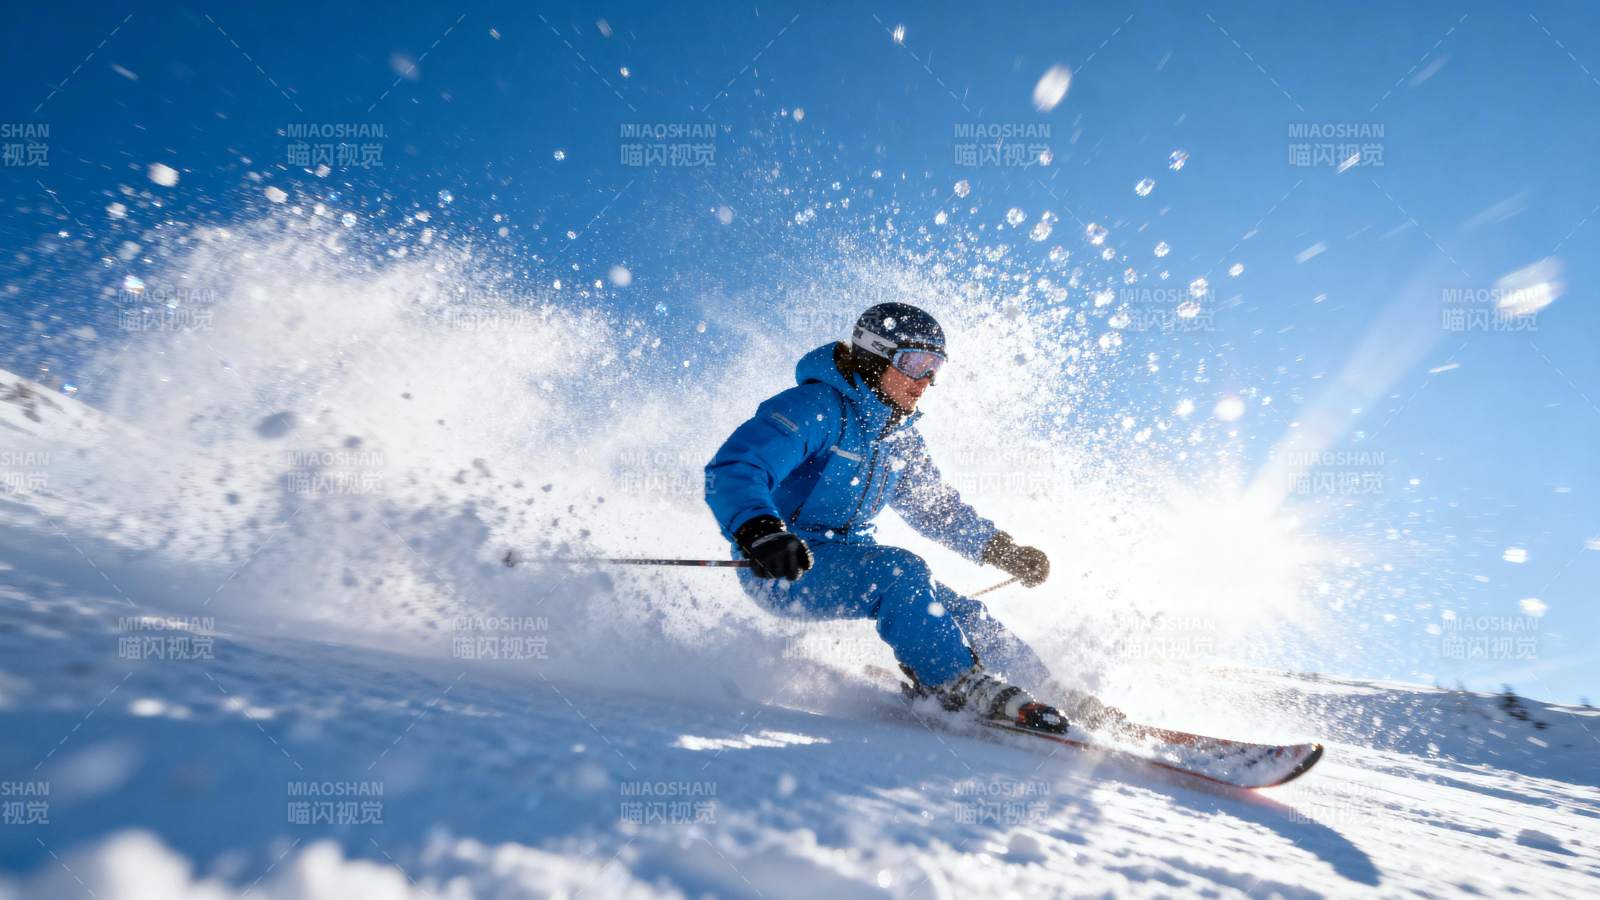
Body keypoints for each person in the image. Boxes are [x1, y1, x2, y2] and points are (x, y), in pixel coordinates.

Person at [704, 302, 1071, 732]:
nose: (926, 380)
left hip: (854, 560)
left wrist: (1001, 550)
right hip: (784, 564)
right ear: (875, 356)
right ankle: (957, 684)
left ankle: (1049, 690)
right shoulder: (816, 407)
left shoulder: (899, 438)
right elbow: (737, 467)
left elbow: (938, 510)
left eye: (934, 366)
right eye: (915, 362)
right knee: (901, 572)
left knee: (958, 610)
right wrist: (761, 532)